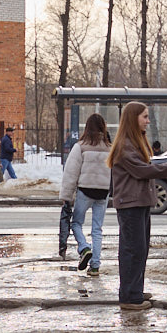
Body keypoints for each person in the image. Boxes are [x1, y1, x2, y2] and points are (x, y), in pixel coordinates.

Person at [108, 102, 167, 311]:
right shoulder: (125, 145)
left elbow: (143, 169)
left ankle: (134, 291)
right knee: (133, 250)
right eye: (145, 117)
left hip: (137, 203)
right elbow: (141, 171)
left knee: (139, 249)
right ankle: (130, 297)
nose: (148, 121)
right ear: (133, 119)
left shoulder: (133, 142)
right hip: (130, 205)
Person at [60, 113, 112, 276]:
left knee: (76, 223)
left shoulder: (80, 146)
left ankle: (84, 248)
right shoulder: (110, 147)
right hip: (103, 192)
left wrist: (66, 197)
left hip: (85, 190)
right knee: (97, 229)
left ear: (87, 127)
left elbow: (71, 173)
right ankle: (95, 266)